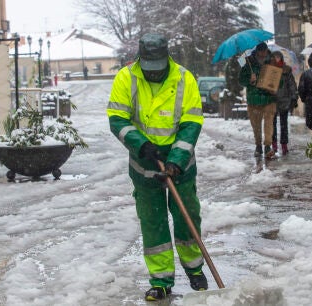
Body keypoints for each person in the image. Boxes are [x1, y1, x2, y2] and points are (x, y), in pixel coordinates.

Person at [107, 33, 207, 301]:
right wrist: (141, 145)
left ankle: (195, 269)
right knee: (154, 223)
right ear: (141, 59)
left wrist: (176, 160)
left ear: (167, 58)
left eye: (158, 67)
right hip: (144, 162)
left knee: (187, 216)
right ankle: (161, 279)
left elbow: (191, 123)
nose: (154, 73)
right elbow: (117, 119)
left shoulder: (185, 79)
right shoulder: (126, 78)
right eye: (149, 68)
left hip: (180, 161)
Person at [239, 42, 276, 158]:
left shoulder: (272, 61)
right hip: (253, 99)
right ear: (257, 51)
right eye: (261, 52)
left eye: (265, 51)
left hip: (269, 98)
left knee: (268, 123)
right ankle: (258, 145)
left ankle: (267, 145)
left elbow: (280, 79)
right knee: (256, 125)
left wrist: (274, 86)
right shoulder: (248, 62)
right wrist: (250, 80)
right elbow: (240, 80)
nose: (263, 54)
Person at [270, 51, 298, 155]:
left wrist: (294, 97)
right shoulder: (269, 70)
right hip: (272, 101)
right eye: (275, 57)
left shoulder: (286, 70)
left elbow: (291, 85)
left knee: (283, 125)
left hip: (284, 100)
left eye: (278, 57)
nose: (277, 59)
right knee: (272, 125)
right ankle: (274, 145)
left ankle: (284, 145)